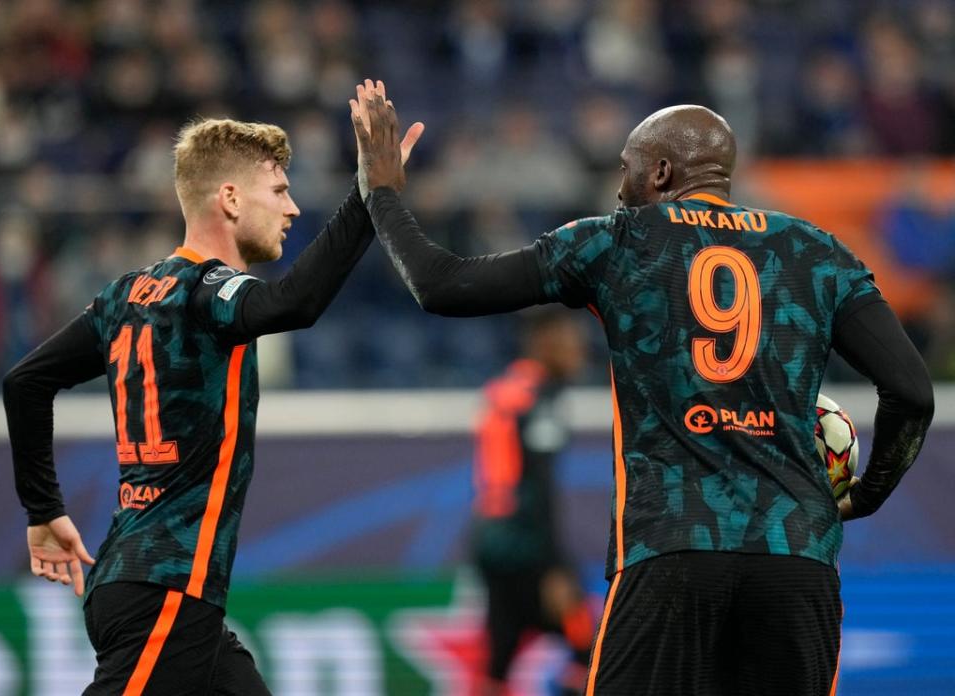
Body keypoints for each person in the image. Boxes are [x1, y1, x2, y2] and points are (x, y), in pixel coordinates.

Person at [349, 87, 935, 695]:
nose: (618, 189)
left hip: (672, 547)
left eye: (625, 171)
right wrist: (865, 495)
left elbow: (442, 286)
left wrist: (383, 193)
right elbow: (912, 393)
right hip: (797, 555)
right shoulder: (816, 251)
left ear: (660, 172)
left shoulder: (618, 241)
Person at [3, 82, 423, 695]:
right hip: (166, 591)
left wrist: (43, 512)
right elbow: (295, 303)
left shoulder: (124, 295)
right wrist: (370, 194)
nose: (293, 209)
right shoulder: (209, 292)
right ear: (229, 198)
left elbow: (25, 382)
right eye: (279, 190)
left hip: (152, 584)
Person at [471, 309, 594, 695]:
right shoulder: (539, 398)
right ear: (544, 342)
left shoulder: (506, 387)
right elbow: (539, 487)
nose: (580, 349)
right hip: (525, 547)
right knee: (587, 641)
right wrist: (555, 567)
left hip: (492, 541)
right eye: (570, 340)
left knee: (502, 652)